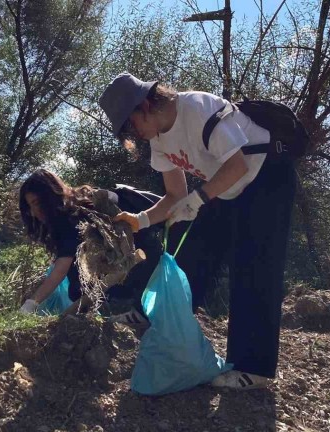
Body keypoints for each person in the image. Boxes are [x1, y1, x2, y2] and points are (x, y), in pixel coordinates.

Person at [98, 72, 298, 390]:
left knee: (254, 265)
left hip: (268, 176)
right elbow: (175, 196)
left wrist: (200, 198)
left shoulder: (199, 110)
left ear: (146, 105)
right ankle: (152, 314)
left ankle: (254, 368)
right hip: (226, 187)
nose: (134, 134)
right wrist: (141, 220)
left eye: (131, 125)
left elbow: (238, 166)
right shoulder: (159, 142)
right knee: (192, 248)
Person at [18, 168, 163, 321]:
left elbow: (60, 269)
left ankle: (123, 311)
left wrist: (32, 303)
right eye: (30, 207)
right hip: (140, 266)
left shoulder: (72, 217)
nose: (33, 212)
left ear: (49, 196)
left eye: (36, 203)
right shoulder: (78, 203)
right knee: (75, 283)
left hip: (133, 270)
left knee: (76, 286)